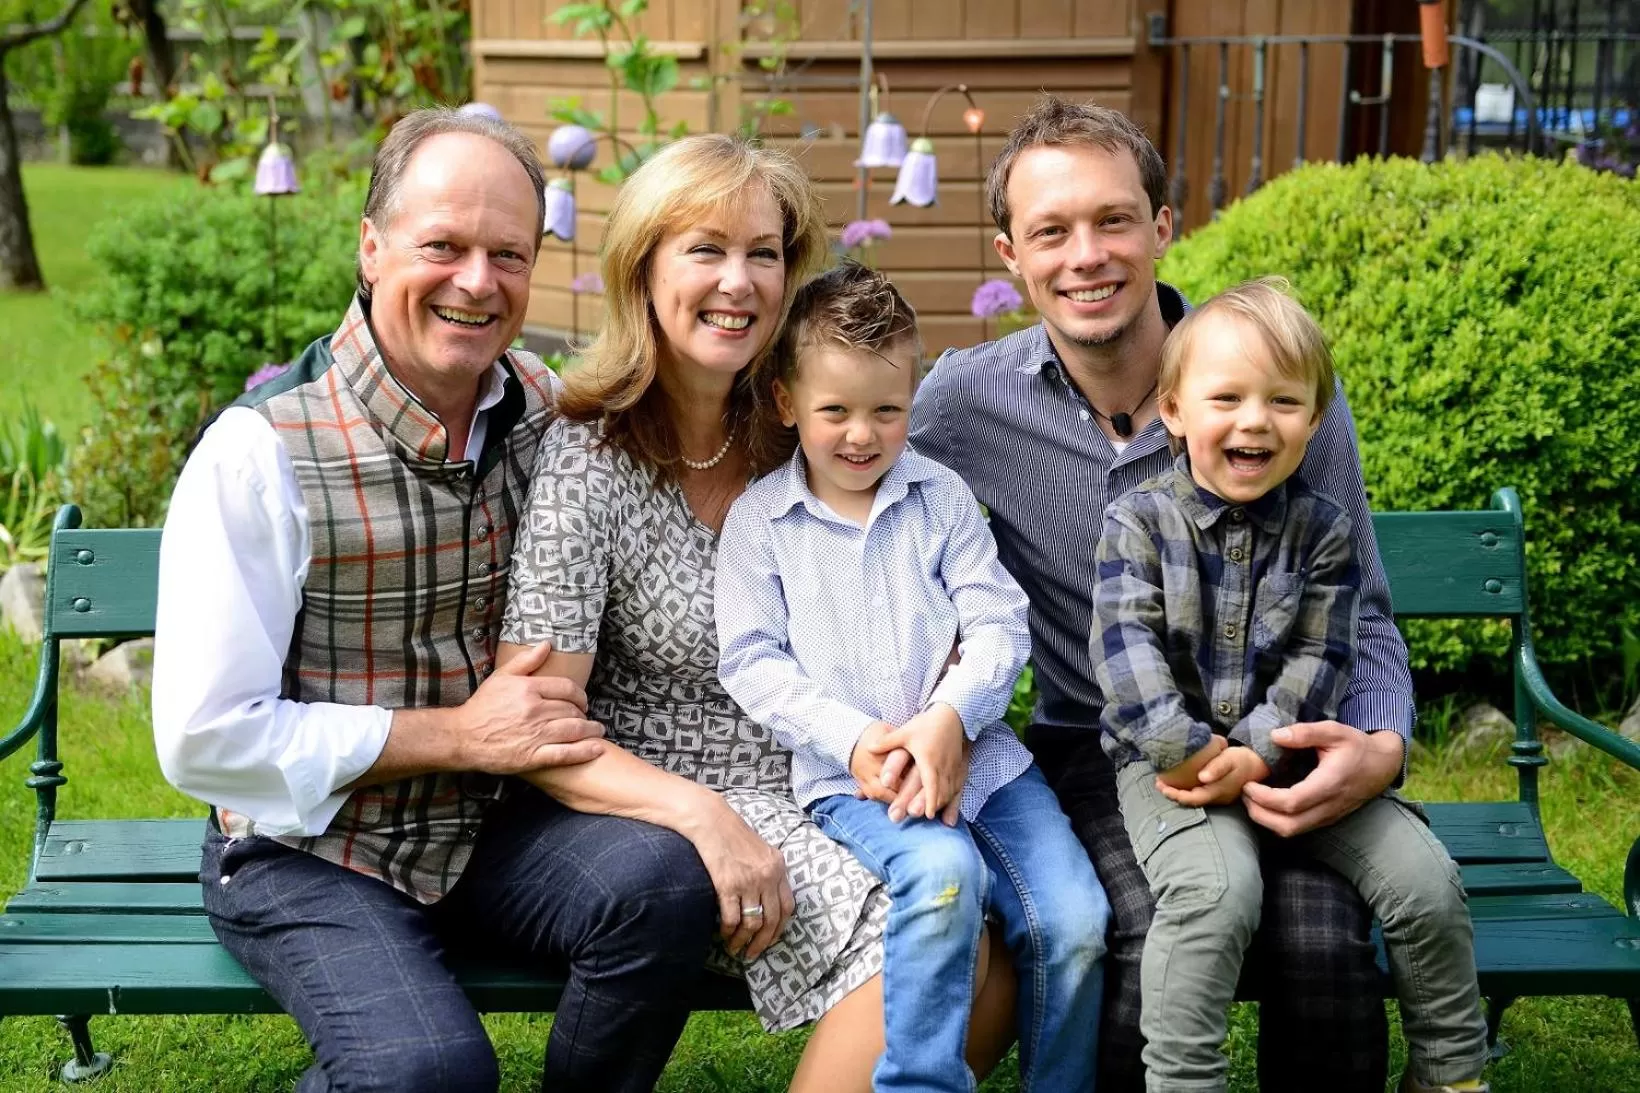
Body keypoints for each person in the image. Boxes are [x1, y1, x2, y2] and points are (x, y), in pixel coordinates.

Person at [152, 108, 722, 1093]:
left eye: (507, 252)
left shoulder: (546, 410)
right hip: (309, 849)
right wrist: (460, 736)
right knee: (428, 1072)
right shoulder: (260, 454)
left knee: (665, 889)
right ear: (371, 248)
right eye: (442, 246)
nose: (475, 281)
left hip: (496, 831)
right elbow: (204, 741)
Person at [909, 96, 1418, 1091]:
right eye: (1050, 232)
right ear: (1010, 253)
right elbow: (826, 448)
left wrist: (1380, 748)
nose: (1084, 255)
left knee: (1319, 945)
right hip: (1104, 748)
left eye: (1110, 220)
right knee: (1145, 933)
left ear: (1161, 230)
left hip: (1286, 732)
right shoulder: (965, 405)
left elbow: (1359, 606)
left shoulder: (1264, 388)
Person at [496, 135, 1017, 1091]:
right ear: (644, 266)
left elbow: (934, 561)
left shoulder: (805, 429)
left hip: (832, 774)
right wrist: (704, 819)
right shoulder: (589, 458)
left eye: (764, 253)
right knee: (934, 934)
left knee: (988, 945)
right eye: (705, 249)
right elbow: (542, 724)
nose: (737, 282)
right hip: (654, 813)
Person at [714, 261, 1108, 1093]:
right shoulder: (761, 524)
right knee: (943, 877)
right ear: (788, 404)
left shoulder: (944, 499)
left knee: (1075, 920)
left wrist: (953, 718)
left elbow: (998, 621)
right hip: (860, 779)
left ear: (913, 396)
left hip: (984, 765)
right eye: (835, 411)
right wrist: (857, 738)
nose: (862, 434)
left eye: (887, 410)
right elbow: (753, 661)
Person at [1091, 279, 1489, 1093]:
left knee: (1424, 879)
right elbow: (1125, 652)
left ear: (1313, 420)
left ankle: (1452, 1072)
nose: (1252, 420)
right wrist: (1193, 749)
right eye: (1226, 397)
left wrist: (1258, 748)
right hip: (1169, 768)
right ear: (1174, 410)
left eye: (1282, 400)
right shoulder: (1137, 523)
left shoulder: (1324, 533)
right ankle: (1182, 1082)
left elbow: (1321, 658)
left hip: (1300, 756)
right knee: (1216, 893)